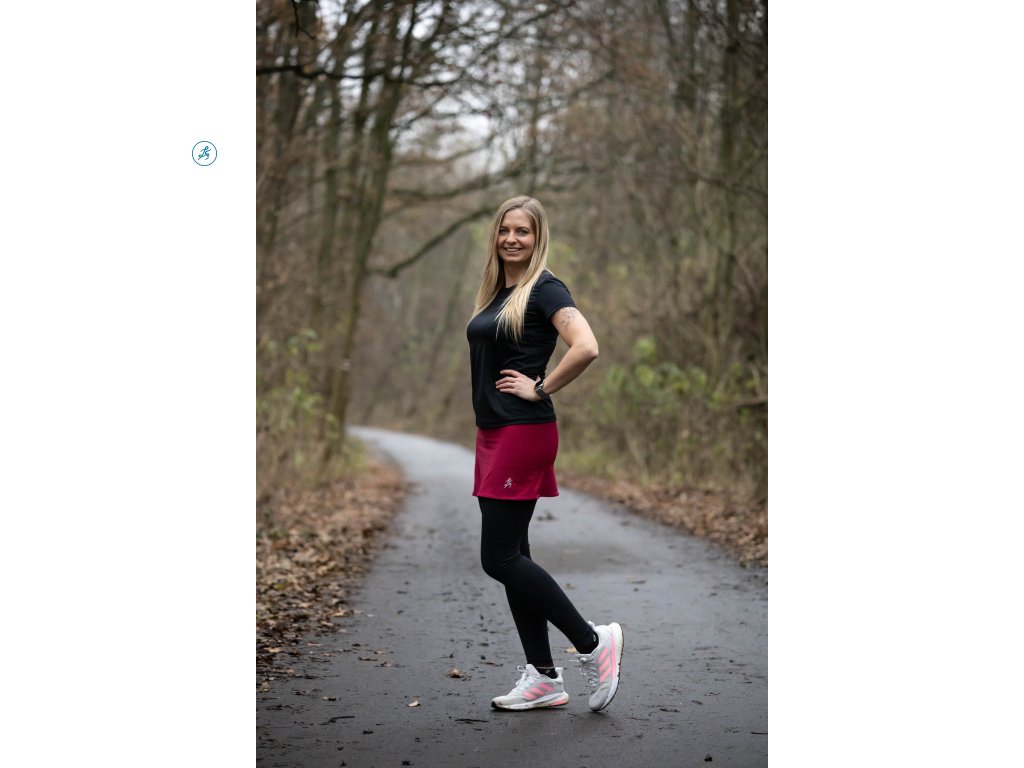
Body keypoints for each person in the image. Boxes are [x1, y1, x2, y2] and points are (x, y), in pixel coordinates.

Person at [466, 195, 624, 712]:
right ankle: (544, 677)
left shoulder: (545, 288)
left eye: (523, 231)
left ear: (538, 238)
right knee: (516, 556)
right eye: (504, 230)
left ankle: (593, 642)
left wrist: (541, 387)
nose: (512, 238)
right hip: (494, 432)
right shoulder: (499, 293)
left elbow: (586, 345)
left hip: (522, 430)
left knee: (499, 558)